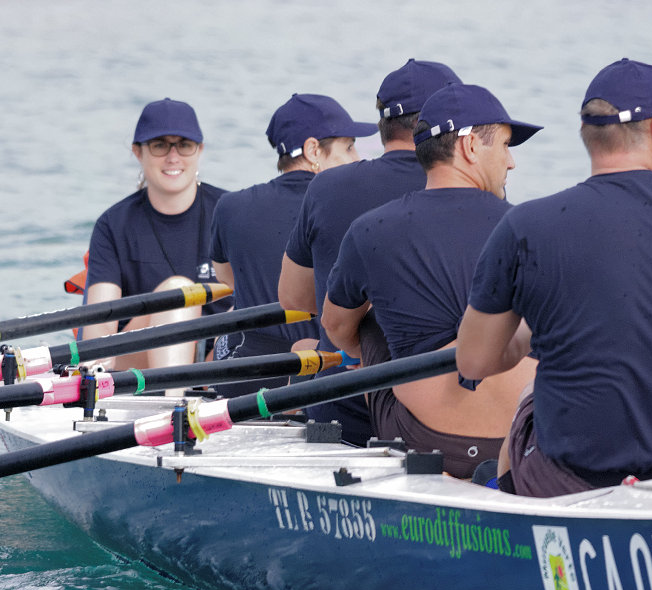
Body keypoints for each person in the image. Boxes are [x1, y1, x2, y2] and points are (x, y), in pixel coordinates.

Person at [455, 58, 652, 497]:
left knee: (530, 398)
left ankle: (507, 502)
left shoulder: (525, 226)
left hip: (573, 478)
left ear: (587, 134)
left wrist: (534, 332)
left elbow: (474, 362)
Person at [321, 84, 542, 478]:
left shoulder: (371, 229)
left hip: (430, 442)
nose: (511, 163)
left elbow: (335, 327)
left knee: (368, 320)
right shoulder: (533, 227)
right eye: (505, 146)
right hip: (523, 440)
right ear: (470, 146)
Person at [278, 58, 461, 445]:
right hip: (440, 416)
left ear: (383, 126)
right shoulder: (472, 193)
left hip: (341, 406)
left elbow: (294, 299)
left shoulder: (326, 186)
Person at [208, 93, 377, 397]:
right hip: (320, 373)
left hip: (243, 374)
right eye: (349, 147)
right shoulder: (349, 209)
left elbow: (227, 279)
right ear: (314, 150)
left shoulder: (229, 206)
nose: (356, 158)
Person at [81, 98, 230, 371]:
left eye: (184, 145)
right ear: (138, 152)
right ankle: (177, 396)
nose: (173, 157)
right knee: (178, 293)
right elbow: (97, 334)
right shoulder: (113, 224)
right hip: (139, 361)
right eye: (160, 145)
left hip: (218, 358)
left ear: (200, 150)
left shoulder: (232, 213)